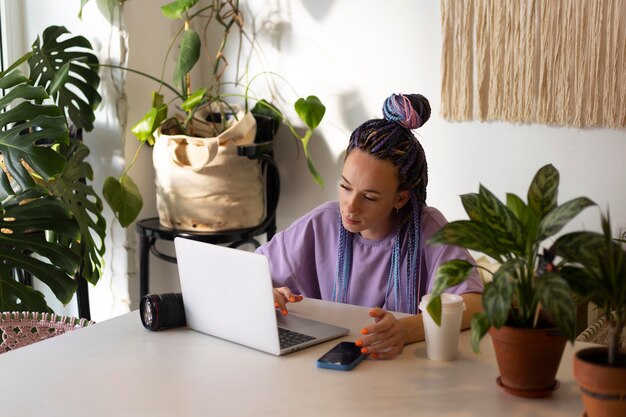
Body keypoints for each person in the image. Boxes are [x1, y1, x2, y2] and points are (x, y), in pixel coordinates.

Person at [256, 93, 483, 360]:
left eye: (370, 197)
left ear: (400, 198)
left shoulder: (429, 231)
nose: (350, 207)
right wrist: (266, 292)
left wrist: (405, 329)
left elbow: (475, 305)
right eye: (345, 187)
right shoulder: (321, 224)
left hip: (403, 370)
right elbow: (248, 272)